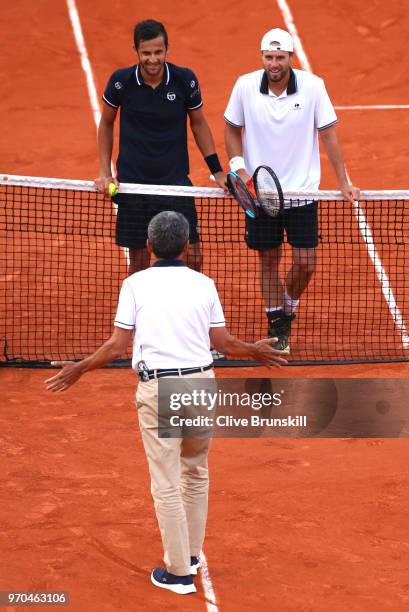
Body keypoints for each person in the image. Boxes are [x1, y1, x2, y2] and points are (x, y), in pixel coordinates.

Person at [45, 211, 288, 595]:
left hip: (160, 390)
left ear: (148, 246)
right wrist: (254, 351)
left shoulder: (135, 285)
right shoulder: (204, 284)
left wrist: (81, 368)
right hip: (201, 386)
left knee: (167, 483)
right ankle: (190, 554)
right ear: (187, 246)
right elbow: (223, 344)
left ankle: (177, 573)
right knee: (196, 471)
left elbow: (116, 347)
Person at [224, 28, 360, 350]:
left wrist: (344, 182)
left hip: (302, 193)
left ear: (290, 57)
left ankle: (287, 306)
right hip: (262, 194)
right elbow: (231, 128)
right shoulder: (244, 86)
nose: (274, 63)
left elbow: (329, 137)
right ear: (262, 58)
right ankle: (278, 326)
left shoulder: (313, 88)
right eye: (269, 57)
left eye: (280, 57)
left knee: (306, 262)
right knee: (269, 261)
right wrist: (239, 168)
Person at [95, 19, 227, 274]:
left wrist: (217, 170)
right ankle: (142, 313)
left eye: (158, 52)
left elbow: (199, 124)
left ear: (167, 49)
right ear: (136, 51)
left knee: (194, 257)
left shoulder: (184, 80)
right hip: (134, 185)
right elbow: (107, 123)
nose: (152, 59)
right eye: (146, 53)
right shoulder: (121, 82)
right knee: (139, 262)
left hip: (175, 184)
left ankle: (190, 310)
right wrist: (105, 171)